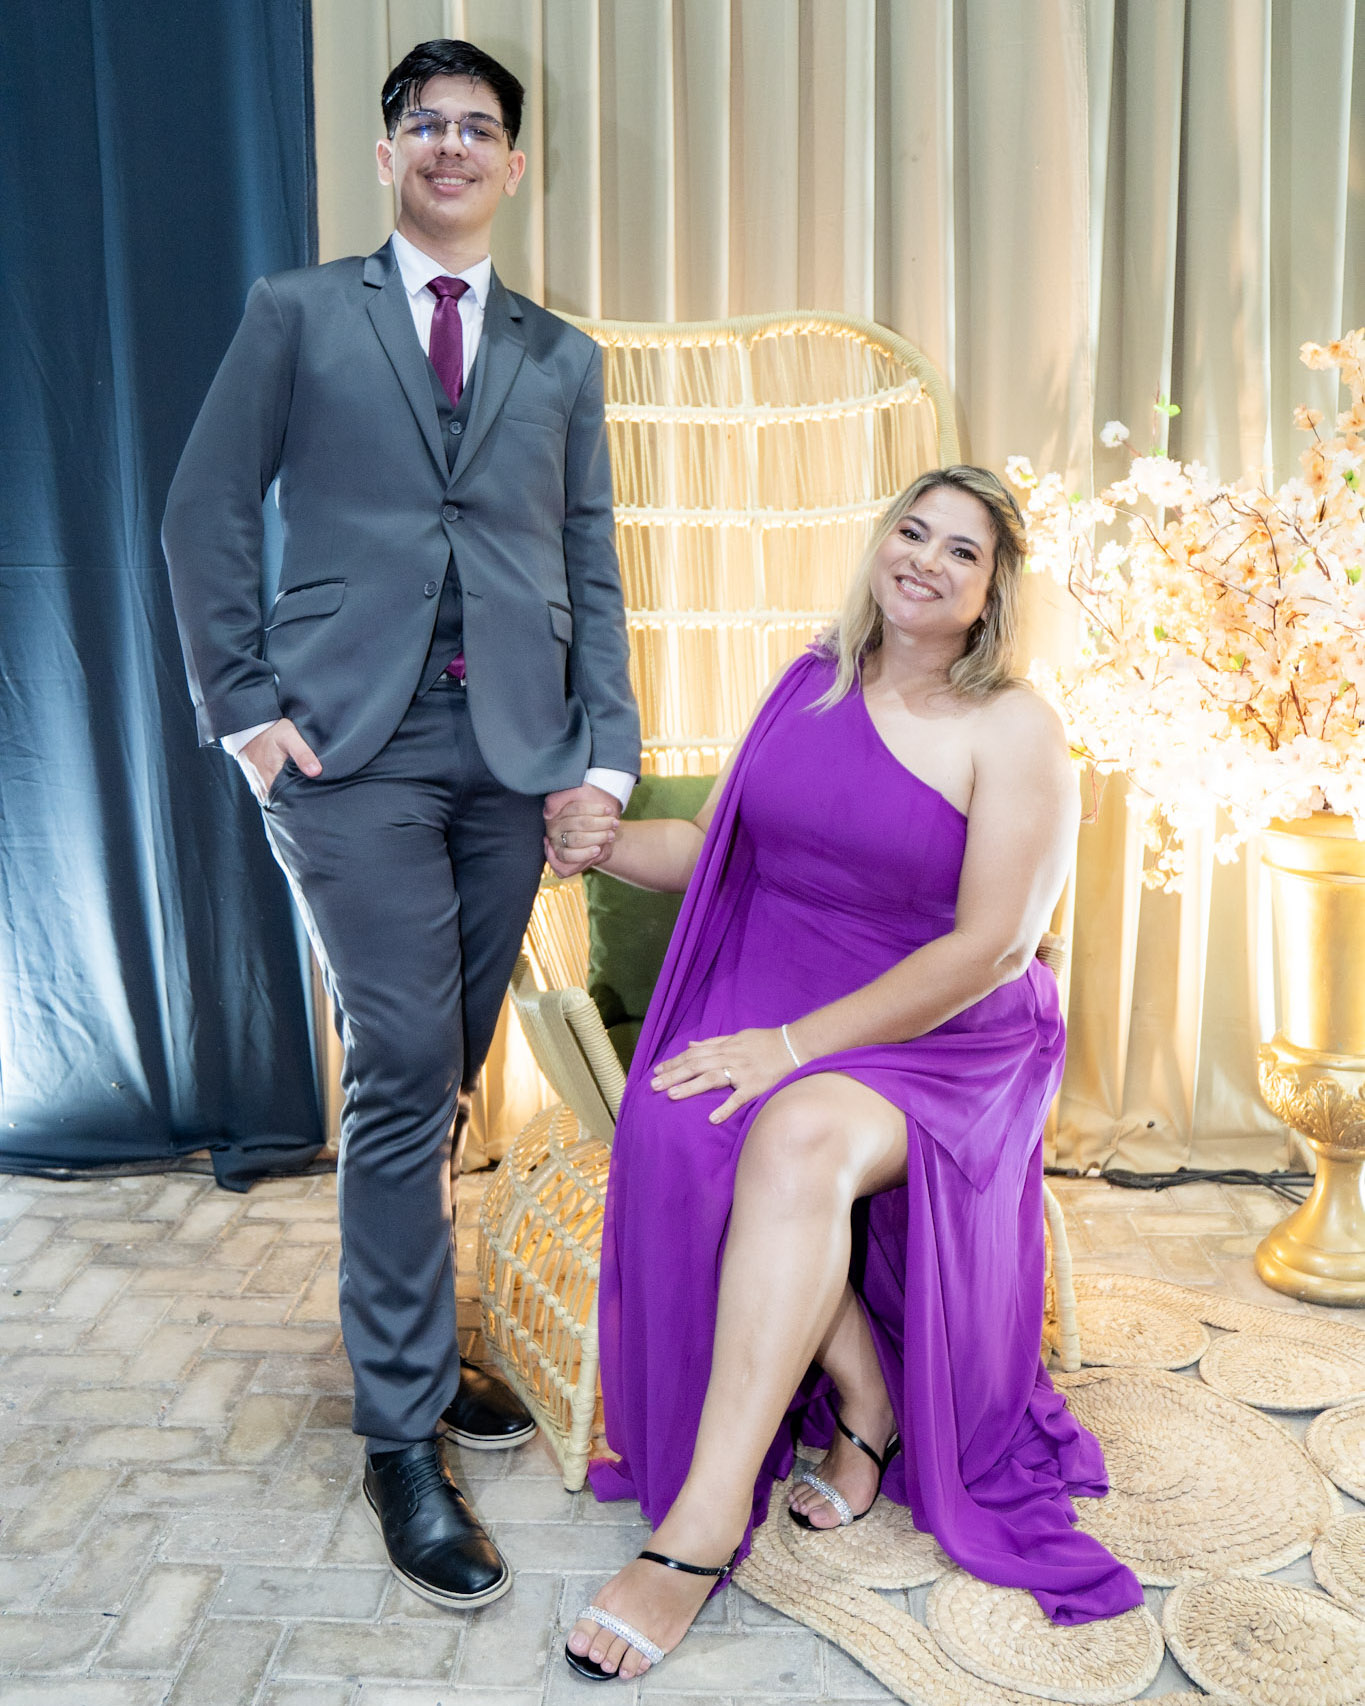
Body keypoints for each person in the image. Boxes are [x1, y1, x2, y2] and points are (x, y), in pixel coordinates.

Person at [162, 39, 639, 1612]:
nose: (450, 145)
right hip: (349, 750)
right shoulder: (299, 313)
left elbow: (590, 565)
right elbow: (203, 508)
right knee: (402, 1066)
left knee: (444, 1065)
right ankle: (398, 1431)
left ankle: (418, 1350)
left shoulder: (561, 357)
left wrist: (604, 760)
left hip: (513, 753)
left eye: (477, 127)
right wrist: (246, 712)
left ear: (514, 164)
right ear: (387, 157)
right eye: (423, 124)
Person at [543, 466, 1144, 1681]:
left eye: (962, 550)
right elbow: (712, 849)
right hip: (781, 980)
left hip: (952, 1026)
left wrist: (793, 1047)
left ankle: (700, 1525)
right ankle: (867, 1394)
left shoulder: (1015, 725)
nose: (926, 558)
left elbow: (995, 947)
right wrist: (600, 844)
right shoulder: (811, 677)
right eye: (911, 531)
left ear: (993, 592)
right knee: (680, 1124)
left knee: (799, 1134)